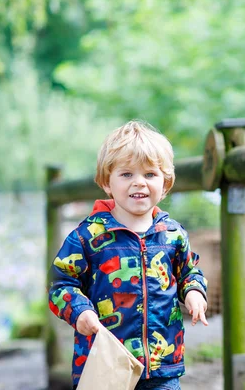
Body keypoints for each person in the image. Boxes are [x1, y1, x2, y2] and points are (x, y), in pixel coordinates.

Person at [47, 120, 208, 390]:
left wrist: (194, 292)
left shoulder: (173, 234)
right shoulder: (89, 236)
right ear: (106, 183)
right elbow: (60, 283)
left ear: (165, 184)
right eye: (126, 174)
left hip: (162, 366)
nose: (139, 183)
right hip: (106, 365)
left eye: (150, 174)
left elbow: (189, 272)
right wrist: (79, 311)